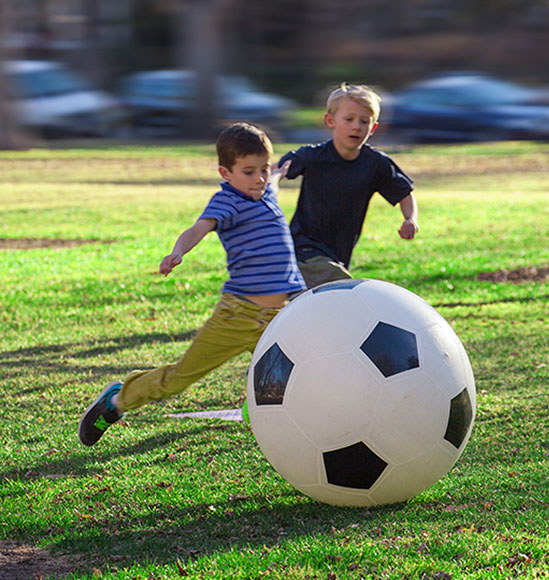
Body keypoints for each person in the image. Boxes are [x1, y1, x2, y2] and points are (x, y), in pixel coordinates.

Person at [78, 123, 305, 447]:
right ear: (225, 172)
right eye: (248, 171)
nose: (257, 178)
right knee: (178, 379)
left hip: (277, 318)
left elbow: (272, 181)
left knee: (299, 375)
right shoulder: (226, 202)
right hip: (237, 316)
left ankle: (267, 418)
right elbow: (198, 229)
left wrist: (279, 172)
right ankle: (117, 401)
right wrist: (177, 252)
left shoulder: (264, 190)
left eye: (262, 168)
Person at [277, 82, 419, 288]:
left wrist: (410, 219)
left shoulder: (376, 164)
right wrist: (265, 185)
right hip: (303, 249)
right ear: (330, 120)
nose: (356, 126)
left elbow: (405, 192)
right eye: (349, 119)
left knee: (317, 302)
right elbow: (276, 170)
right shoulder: (313, 156)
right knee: (342, 290)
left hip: (339, 254)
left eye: (364, 121)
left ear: (373, 128)